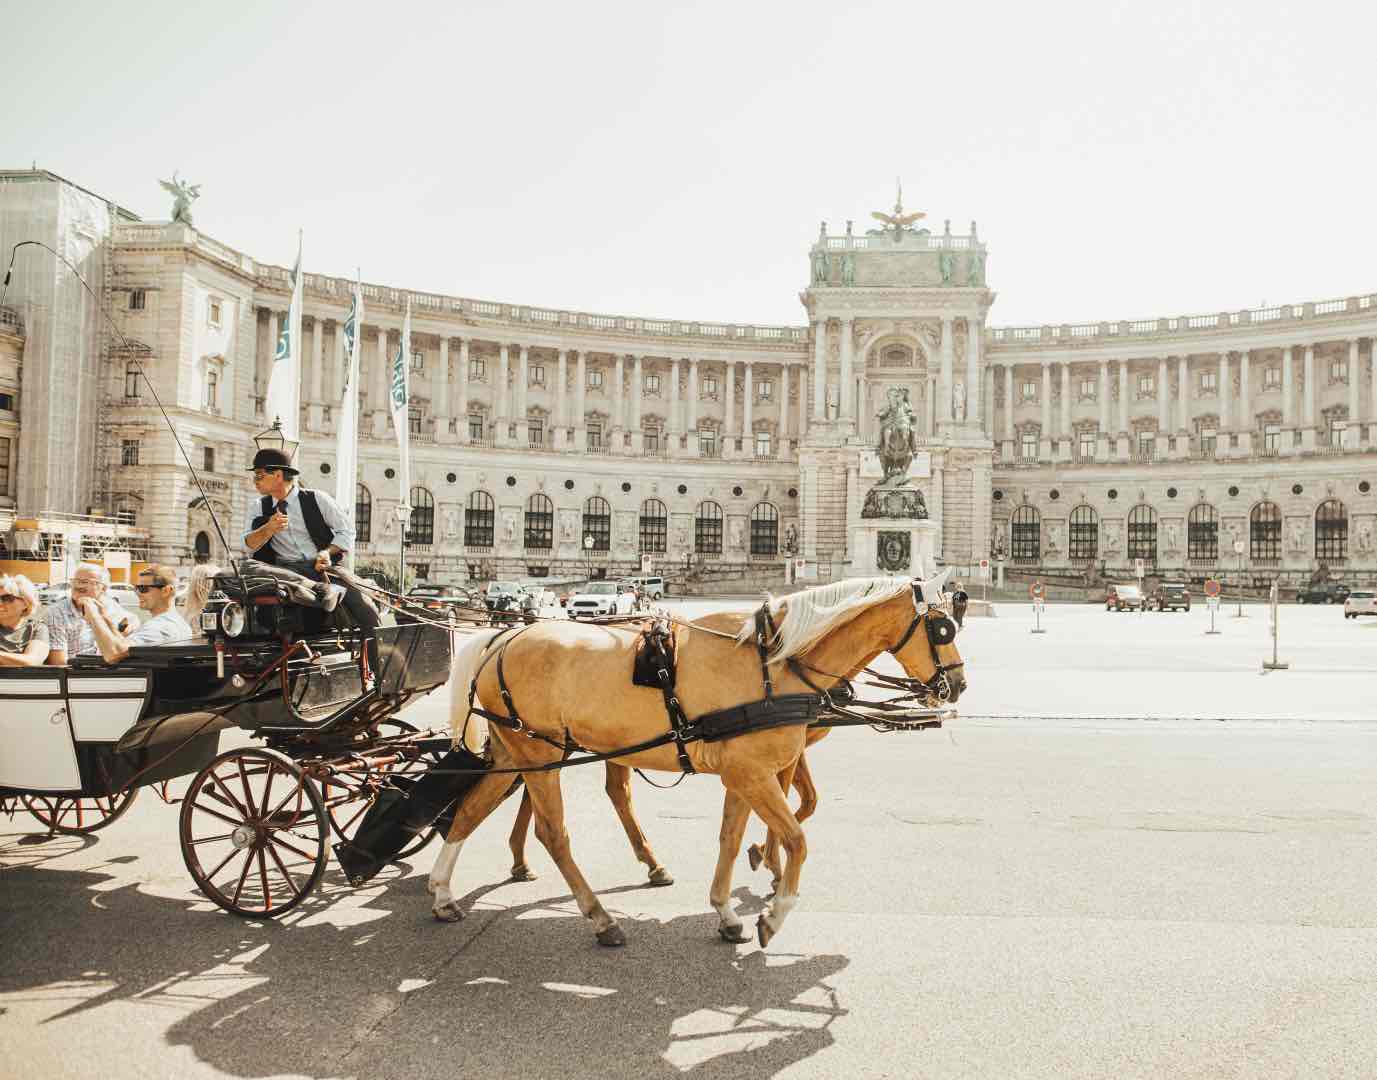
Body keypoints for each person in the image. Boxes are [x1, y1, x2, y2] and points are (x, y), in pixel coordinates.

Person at [242, 447, 381, 661]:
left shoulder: (317, 499)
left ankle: (378, 667)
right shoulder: (258, 507)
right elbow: (248, 545)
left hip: (322, 568)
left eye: (260, 475)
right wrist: (267, 529)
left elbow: (347, 531)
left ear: (278, 475)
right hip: (284, 572)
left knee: (365, 607)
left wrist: (326, 552)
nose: (255, 481)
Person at [81, 564, 193, 664]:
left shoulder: (161, 626)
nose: (138, 593)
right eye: (136, 588)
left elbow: (113, 654)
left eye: (143, 588)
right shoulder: (177, 622)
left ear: (166, 591)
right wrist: (105, 619)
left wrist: (94, 617)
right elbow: (121, 646)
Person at [44, 562, 135, 664]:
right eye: (75, 581)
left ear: (103, 588)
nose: (78, 585)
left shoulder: (110, 606)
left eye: (85, 582)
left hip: (110, 670)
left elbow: (132, 619)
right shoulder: (57, 612)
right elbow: (59, 662)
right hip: (77, 674)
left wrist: (130, 625)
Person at [0, 573, 49, 667]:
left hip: (22, 681)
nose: (0, 603)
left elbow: (32, 661)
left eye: (7, 598)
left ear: (26, 603)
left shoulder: (36, 628)